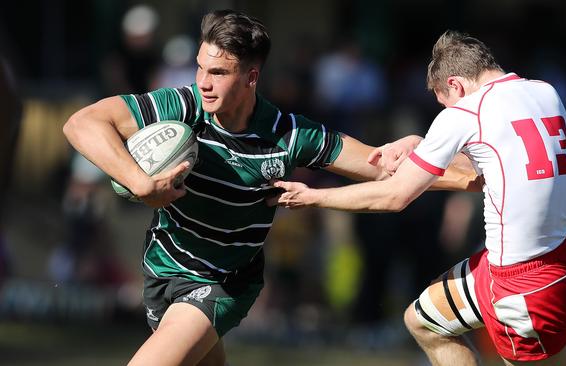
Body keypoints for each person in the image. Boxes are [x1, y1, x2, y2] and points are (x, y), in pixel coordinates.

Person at [63, 10, 476, 366]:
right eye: (200, 68)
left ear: (252, 76)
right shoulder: (182, 105)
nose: (204, 82)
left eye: (219, 73)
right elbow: (82, 122)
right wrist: (141, 183)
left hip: (224, 281)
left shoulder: (288, 135)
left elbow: (385, 171)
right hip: (162, 268)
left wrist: (476, 176)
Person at [274, 30, 566, 365]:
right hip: (553, 261)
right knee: (422, 320)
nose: (444, 111)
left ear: (456, 85)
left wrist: (314, 197)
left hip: (517, 286)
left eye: (443, 102)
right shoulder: (544, 92)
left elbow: (394, 196)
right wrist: (423, 145)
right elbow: (496, 159)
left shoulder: (463, 114)